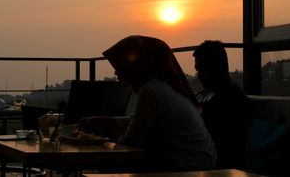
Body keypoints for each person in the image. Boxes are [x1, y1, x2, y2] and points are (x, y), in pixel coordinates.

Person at [81, 35, 217, 171]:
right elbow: (141, 120)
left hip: (186, 167)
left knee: (111, 168)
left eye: (120, 64)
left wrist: (101, 144)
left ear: (136, 64)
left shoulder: (151, 90)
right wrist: (109, 122)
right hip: (201, 162)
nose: (116, 71)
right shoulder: (166, 86)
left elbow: (132, 139)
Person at [193, 40, 253, 169]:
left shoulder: (231, 101)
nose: (199, 76)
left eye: (202, 69)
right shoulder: (213, 95)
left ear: (216, 67)